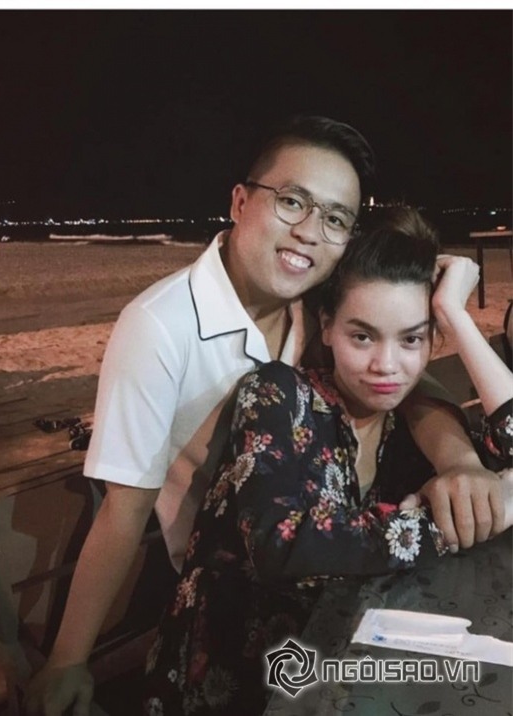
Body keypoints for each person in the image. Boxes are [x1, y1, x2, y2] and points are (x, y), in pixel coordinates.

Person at [26, 116, 505, 716]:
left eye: (335, 219)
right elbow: (125, 506)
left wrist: (460, 461)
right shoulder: (161, 327)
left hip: (329, 576)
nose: (308, 232)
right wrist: (68, 659)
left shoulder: (314, 301)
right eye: (292, 202)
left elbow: (406, 386)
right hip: (234, 582)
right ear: (239, 201)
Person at [143, 207, 513, 716]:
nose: (386, 365)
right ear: (327, 327)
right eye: (363, 336)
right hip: (228, 679)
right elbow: (281, 543)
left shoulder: (409, 430)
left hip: (334, 663)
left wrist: (456, 316)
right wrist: (444, 522)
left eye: (412, 338)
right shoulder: (278, 396)